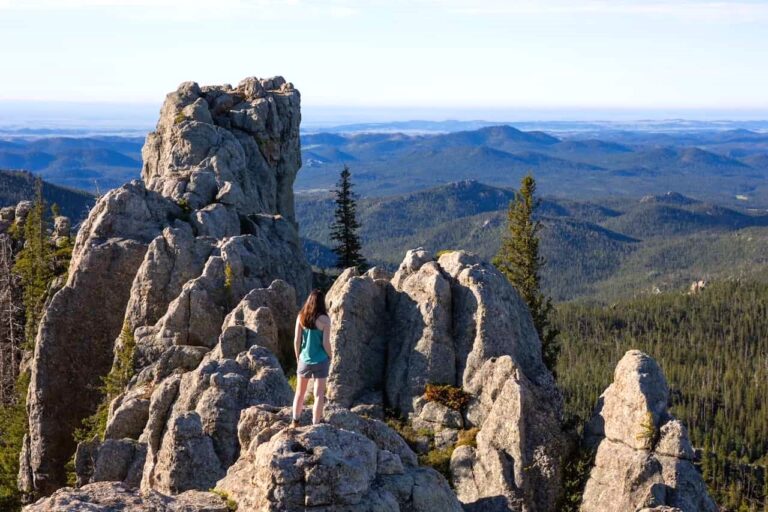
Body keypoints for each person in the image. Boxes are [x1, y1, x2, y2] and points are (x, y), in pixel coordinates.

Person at [291, 289, 332, 427]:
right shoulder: (325, 320)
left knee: (300, 393)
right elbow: (326, 343)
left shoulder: (301, 316)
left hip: (304, 359)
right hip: (321, 360)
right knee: (319, 394)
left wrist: (298, 358)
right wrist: (330, 356)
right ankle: (315, 424)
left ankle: (295, 421)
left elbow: (296, 340)